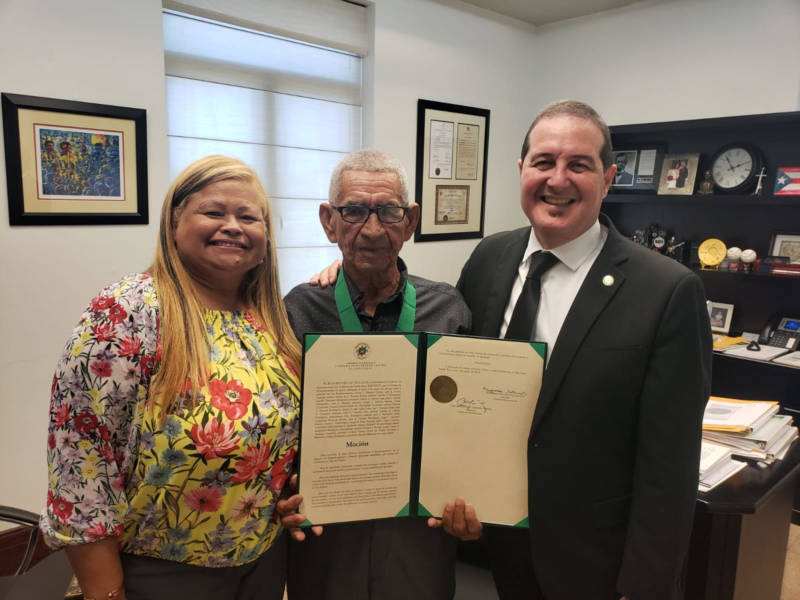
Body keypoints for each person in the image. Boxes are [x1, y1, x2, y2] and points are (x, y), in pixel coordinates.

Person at [312, 101, 712, 600]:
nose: (558, 180)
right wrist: (341, 274)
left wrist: (647, 584)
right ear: (521, 170)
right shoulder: (489, 259)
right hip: (497, 538)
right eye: (543, 162)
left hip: (597, 559)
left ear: (608, 178)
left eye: (579, 165)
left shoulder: (666, 290)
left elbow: (670, 466)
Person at [40, 156, 302, 600]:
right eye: (214, 212)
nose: (234, 226)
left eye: (249, 217)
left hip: (262, 560)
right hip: (158, 570)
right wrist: (105, 592)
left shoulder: (270, 318)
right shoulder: (127, 310)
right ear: (174, 222)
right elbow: (83, 460)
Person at [277, 149, 482, 600]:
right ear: (329, 221)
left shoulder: (449, 310)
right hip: (327, 531)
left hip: (419, 534)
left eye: (388, 212)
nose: (371, 229)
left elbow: (472, 425)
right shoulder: (296, 311)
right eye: (353, 211)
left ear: (409, 222)